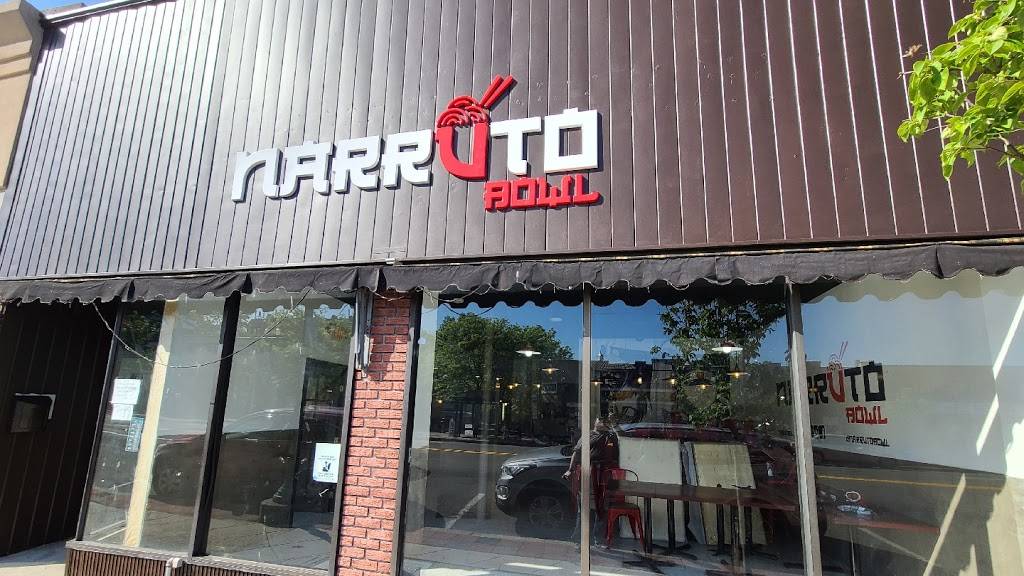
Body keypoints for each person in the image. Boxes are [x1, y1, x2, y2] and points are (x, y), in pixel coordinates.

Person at [563, 417, 618, 546]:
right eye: (600, 420)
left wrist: (614, 426)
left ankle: (598, 539)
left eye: (605, 421)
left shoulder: (611, 437)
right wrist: (570, 470)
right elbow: (577, 453)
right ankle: (579, 539)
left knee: (601, 507)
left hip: (604, 475)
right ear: (595, 422)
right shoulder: (588, 436)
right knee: (584, 507)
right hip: (589, 473)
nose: (602, 423)